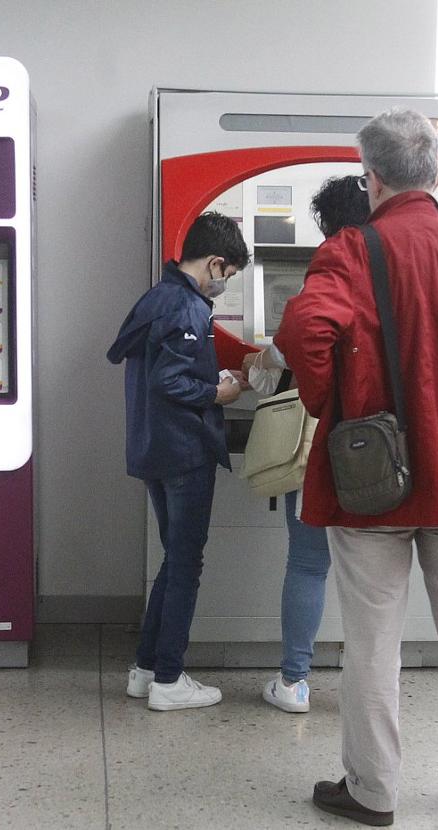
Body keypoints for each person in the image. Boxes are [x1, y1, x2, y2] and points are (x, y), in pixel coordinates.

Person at [276, 109, 438, 825]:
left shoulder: (352, 250)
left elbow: (304, 328)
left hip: (372, 485)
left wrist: (334, 403)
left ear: (372, 177)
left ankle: (373, 792)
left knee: (374, 642)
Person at [107, 212, 249, 711]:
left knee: (176, 557)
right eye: (227, 276)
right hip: (184, 450)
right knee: (187, 562)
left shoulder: (156, 298)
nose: (224, 287)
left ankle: (146, 670)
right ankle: (170, 679)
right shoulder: (187, 307)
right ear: (214, 262)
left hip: (152, 447)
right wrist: (219, 391)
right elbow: (172, 381)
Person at [241, 175, 369, 714]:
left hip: (319, 445)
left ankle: (294, 682)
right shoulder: (399, 269)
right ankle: (369, 685)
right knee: (373, 574)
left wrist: (256, 367)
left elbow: (287, 348)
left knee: (308, 564)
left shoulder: (329, 271)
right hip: (388, 451)